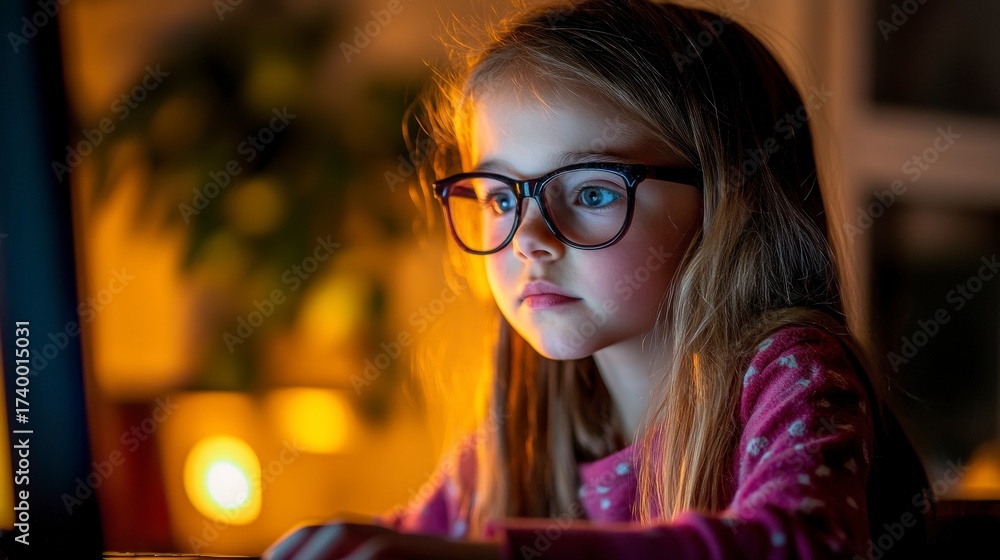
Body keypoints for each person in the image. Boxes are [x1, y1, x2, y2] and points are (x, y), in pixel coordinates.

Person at [264, 0, 935, 558]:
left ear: (729, 203)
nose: (529, 238)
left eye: (591, 193)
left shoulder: (792, 373)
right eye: (500, 198)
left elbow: (802, 545)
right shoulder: (527, 427)